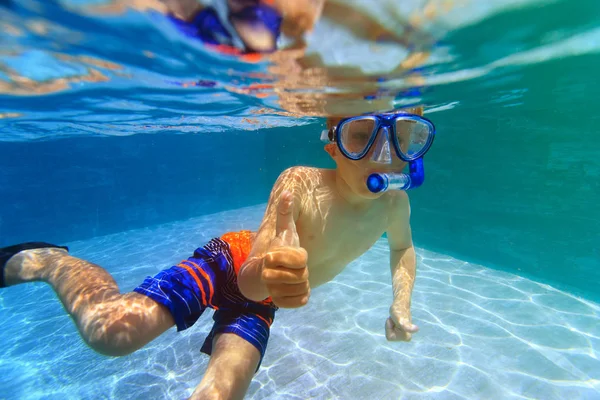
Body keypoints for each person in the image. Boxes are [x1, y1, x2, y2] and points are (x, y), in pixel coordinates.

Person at [0, 106, 435, 399]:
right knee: (111, 334)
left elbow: (403, 247)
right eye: (361, 137)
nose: (385, 156)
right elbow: (249, 276)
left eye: (402, 138)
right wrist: (272, 270)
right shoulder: (299, 181)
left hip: (262, 302)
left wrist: (400, 303)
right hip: (230, 261)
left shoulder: (396, 203)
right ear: (333, 144)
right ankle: (51, 259)